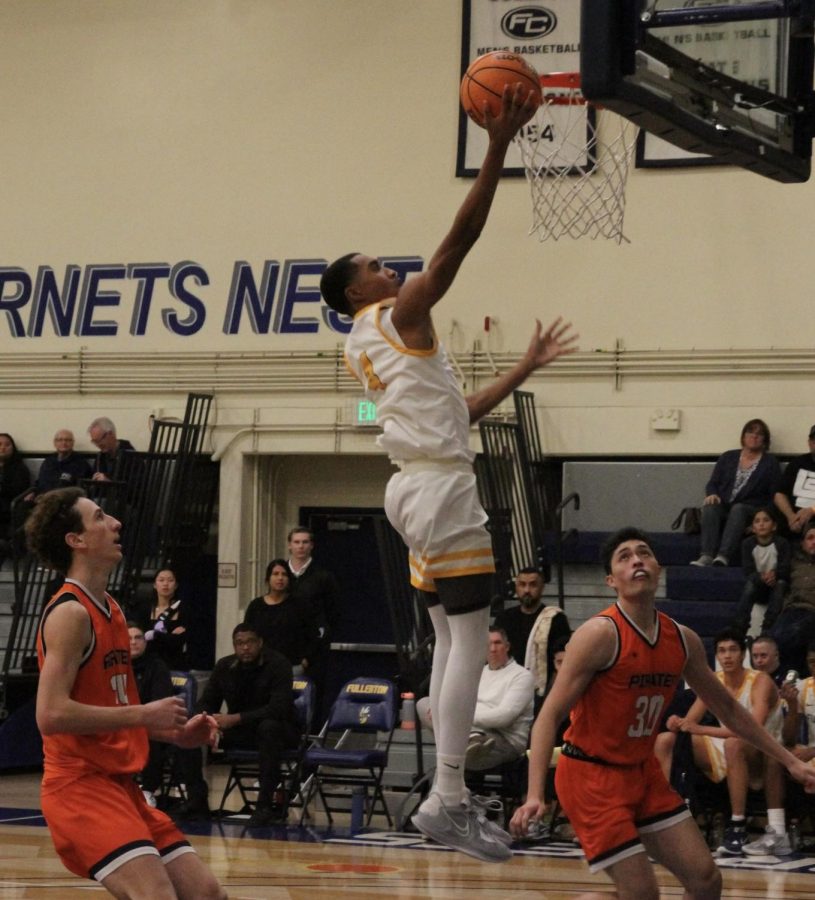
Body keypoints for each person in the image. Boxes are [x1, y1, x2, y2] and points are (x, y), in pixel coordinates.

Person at [320, 83, 574, 863]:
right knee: (471, 639)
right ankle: (450, 797)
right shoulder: (397, 314)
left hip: (410, 488)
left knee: (444, 638)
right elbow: (454, 245)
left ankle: (448, 795)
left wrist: (522, 368)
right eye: (373, 265)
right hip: (436, 488)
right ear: (355, 291)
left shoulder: (368, 339)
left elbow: (456, 410)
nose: (388, 267)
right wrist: (497, 144)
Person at [510, 527, 815, 900]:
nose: (637, 559)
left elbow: (730, 711)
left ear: (658, 568)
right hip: (592, 777)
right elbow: (549, 715)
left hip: (643, 773)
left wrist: (791, 762)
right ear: (611, 580)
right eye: (625, 556)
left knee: (706, 881)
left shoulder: (681, 639)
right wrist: (534, 794)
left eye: (644, 553)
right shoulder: (599, 635)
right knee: (641, 894)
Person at [25, 487, 223, 899]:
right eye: (99, 517)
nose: (115, 523)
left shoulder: (111, 608)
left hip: (121, 784)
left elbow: (113, 707)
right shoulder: (70, 613)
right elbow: (50, 715)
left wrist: (173, 733)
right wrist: (143, 716)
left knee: (206, 893)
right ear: (75, 541)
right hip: (79, 787)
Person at [653, 628, 790, 857]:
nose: (727, 656)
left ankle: (737, 825)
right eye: (722, 651)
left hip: (766, 750)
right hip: (727, 744)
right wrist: (678, 722)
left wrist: (698, 729)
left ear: (743, 654)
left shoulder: (760, 680)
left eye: (733, 650)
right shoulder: (714, 680)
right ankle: (665, 817)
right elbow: (691, 721)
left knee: (734, 744)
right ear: (715, 656)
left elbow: (752, 730)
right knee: (665, 740)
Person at [175, 623, 300, 828]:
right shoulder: (225, 666)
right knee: (190, 730)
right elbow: (207, 701)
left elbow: (279, 708)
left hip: (281, 730)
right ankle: (197, 799)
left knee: (268, 728)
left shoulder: (279, 664)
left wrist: (235, 719)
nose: (245, 648)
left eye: (250, 642)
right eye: (239, 643)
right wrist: (208, 721)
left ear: (260, 643)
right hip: (242, 731)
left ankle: (264, 807)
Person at [416, 627, 534, 771]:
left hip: (505, 740)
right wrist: (446, 711)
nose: (492, 649)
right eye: (488, 644)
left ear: (507, 646)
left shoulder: (522, 676)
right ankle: (467, 742)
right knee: (425, 703)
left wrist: (461, 717)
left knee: (454, 752)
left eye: (497, 643)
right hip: (467, 729)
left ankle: (463, 747)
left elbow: (504, 717)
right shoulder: (479, 672)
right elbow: (458, 702)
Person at [691, 418, 781, 567]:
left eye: (759, 434)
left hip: (752, 509)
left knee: (738, 508)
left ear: (765, 440)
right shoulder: (728, 457)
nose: (754, 436)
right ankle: (706, 555)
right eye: (750, 432)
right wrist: (712, 493)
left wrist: (762, 517)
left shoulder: (770, 462)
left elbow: (773, 495)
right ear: (743, 436)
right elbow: (713, 483)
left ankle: (723, 555)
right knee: (710, 506)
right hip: (725, 505)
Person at [492, 567, 571, 699]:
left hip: (542, 691)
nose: (527, 590)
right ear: (516, 587)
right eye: (522, 585)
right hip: (507, 687)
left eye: (533, 585)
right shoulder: (504, 618)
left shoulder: (555, 618)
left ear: (542, 588)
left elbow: (562, 659)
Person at [244, 558, 319, 675]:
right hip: (261, 668)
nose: (280, 578)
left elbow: (313, 634)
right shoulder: (256, 606)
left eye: (284, 574)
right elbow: (246, 635)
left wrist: (306, 659)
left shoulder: (299, 605)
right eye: (275, 574)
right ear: (268, 579)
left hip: (292, 667)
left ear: (289, 579)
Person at [128, 622, 175, 809]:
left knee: (150, 734)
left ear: (145, 641)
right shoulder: (114, 665)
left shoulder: (157, 666)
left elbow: (160, 703)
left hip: (149, 724)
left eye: (138, 638)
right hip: (120, 722)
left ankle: (147, 790)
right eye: (128, 638)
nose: (133, 642)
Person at [732, 508, 790, 637]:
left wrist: (775, 574)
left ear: (774, 526)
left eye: (766, 520)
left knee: (781, 584)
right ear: (753, 527)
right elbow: (748, 570)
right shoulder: (747, 544)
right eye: (757, 521)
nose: (761, 524)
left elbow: (785, 567)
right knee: (749, 584)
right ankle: (740, 625)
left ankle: (768, 625)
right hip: (758, 584)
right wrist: (761, 577)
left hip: (776, 584)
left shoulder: (782, 543)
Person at [770, 522, 815, 675]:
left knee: (795, 633)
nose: (814, 541)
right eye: (810, 538)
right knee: (774, 638)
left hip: (812, 610)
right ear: (803, 543)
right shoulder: (794, 562)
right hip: (791, 609)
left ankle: (787, 678)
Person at [24, 429, 93, 500]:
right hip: (43, 499)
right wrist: (33, 492)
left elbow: (81, 489)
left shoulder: (81, 463)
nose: (64, 443)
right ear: (55, 443)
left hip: (65, 501)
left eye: (67, 440)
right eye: (60, 440)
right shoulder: (48, 461)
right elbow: (39, 482)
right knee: (22, 506)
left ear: (73, 443)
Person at [143, 568, 188, 671]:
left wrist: (155, 635)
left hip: (174, 663)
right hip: (150, 662)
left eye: (170, 580)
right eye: (161, 580)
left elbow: (178, 641)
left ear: (176, 585)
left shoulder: (183, 609)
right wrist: (168, 636)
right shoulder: (145, 609)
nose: (165, 584)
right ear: (155, 585)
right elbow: (142, 636)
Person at [773, 424, 815, 535]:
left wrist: (812, 510)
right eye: (814, 440)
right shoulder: (797, 463)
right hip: (793, 520)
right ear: (809, 443)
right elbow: (779, 494)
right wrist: (791, 516)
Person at [0, 432, 31, 553]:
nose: (3, 448)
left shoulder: (20, 468)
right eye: (0, 444)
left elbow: (19, 490)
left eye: (7, 445)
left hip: (9, 506)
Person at [87, 416, 137, 483]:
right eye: (94, 442)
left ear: (110, 434)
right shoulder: (100, 456)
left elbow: (135, 486)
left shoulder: (131, 455)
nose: (98, 445)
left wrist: (109, 483)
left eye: (99, 440)